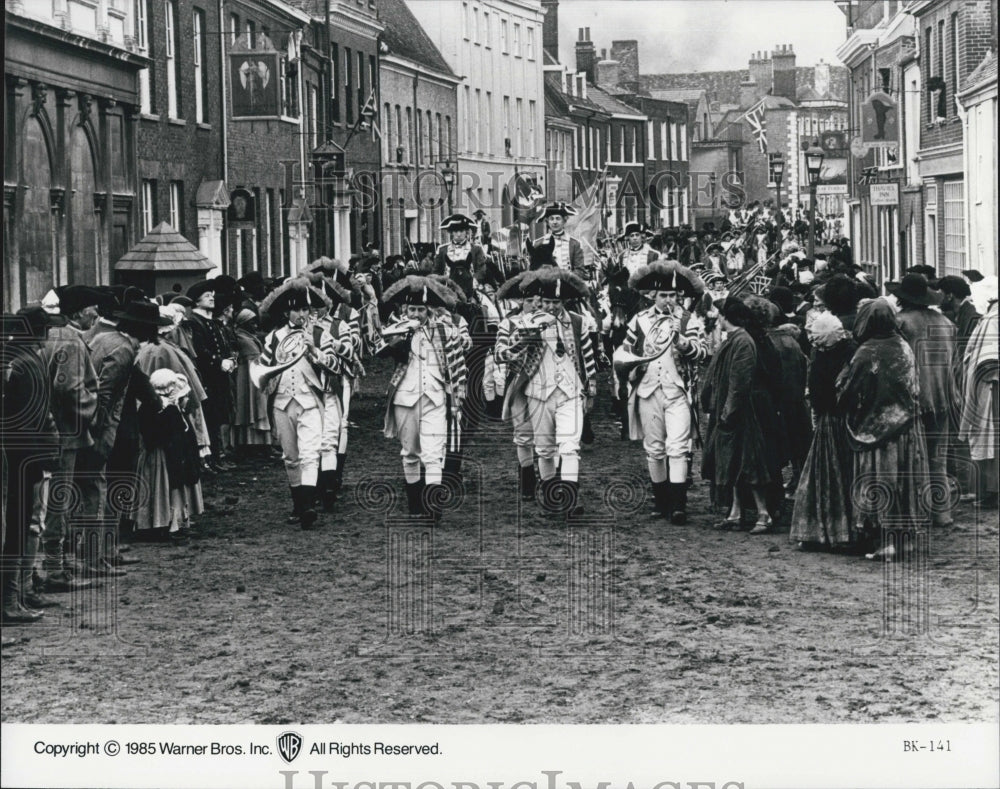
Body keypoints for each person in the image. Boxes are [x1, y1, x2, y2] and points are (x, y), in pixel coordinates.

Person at [837, 298, 930, 560]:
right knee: (904, 480)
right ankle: (906, 539)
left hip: (875, 429)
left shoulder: (866, 352)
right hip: (907, 428)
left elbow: (848, 391)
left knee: (878, 481)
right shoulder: (904, 346)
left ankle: (884, 542)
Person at [616, 260, 707, 523]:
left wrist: (682, 341)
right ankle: (661, 500)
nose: (668, 300)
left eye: (672, 295)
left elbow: (702, 353)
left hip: (677, 391)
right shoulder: (640, 320)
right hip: (648, 390)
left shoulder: (689, 319)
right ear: (652, 295)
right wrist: (631, 369)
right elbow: (626, 351)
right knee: (654, 448)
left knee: (677, 447)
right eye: (663, 295)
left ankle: (679, 504)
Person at [504, 267, 597, 519]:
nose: (551, 307)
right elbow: (506, 355)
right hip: (538, 392)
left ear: (563, 302)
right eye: (546, 302)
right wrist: (525, 339)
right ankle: (551, 495)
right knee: (544, 450)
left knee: (569, 447)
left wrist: (591, 389)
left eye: (556, 302)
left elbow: (587, 357)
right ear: (538, 301)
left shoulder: (578, 322)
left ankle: (570, 498)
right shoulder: (525, 323)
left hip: (570, 391)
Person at [376, 276, 468, 521]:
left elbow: (458, 365)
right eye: (412, 309)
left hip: (436, 397)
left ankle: (433, 506)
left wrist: (457, 400)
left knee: (433, 453)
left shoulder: (443, 330)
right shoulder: (396, 329)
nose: (416, 314)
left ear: (429, 310)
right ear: (405, 309)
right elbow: (378, 350)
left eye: (420, 309)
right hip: (405, 397)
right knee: (410, 453)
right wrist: (399, 339)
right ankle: (414, 502)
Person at [252, 278, 338, 530]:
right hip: (282, 402)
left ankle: (309, 506)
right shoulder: (274, 337)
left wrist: (316, 353)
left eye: (305, 309)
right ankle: (298, 504)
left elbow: (335, 365)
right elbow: (264, 368)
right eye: (297, 310)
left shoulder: (320, 334)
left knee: (311, 454)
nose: (302, 314)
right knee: (291, 457)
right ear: (287, 312)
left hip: (310, 400)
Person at [700, 297, 784, 534]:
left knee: (750, 465)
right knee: (733, 463)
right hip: (732, 412)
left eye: (721, 314)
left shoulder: (743, 342)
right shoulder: (736, 339)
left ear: (728, 317)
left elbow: (740, 382)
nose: (717, 318)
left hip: (743, 415)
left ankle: (763, 514)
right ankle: (736, 513)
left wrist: (728, 412)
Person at [2, 307, 65, 622]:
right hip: (22, 459)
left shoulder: (19, 361)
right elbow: (31, 420)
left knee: (18, 526)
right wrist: (40, 459)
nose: (48, 334)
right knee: (16, 527)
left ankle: (16, 597)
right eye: (45, 328)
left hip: (17, 458)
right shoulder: (28, 364)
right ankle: (10, 602)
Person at [888, 273, 956, 528]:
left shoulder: (901, 323)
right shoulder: (946, 322)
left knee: (914, 456)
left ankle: (917, 511)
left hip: (914, 396)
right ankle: (942, 512)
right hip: (943, 395)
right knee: (938, 456)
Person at [789, 312, 858, 549]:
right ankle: (842, 532)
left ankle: (827, 531)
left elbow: (823, 391)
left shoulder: (836, 355)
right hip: (842, 422)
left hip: (835, 423)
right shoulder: (849, 350)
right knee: (842, 475)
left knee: (826, 477)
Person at [493, 272, 539, 501]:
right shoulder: (508, 323)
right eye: (529, 300)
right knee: (523, 434)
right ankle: (527, 482)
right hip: (520, 383)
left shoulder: (554, 322)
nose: (534, 304)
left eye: (538, 299)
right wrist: (521, 344)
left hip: (548, 384)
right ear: (521, 301)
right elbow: (499, 355)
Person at [958, 299, 999, 508]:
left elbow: (987, 361)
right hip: (991, 385)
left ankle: (991, 493)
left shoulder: (992, 320)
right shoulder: (991, 319)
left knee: (991, 442)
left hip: (992, 388)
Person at [537, 202, 585, 273]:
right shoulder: (539, 243)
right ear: (547, 222)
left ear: (564, 220)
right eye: (551, 219)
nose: (554, 222)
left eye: (558, 218)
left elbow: (580, 271)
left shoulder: (575, 244)